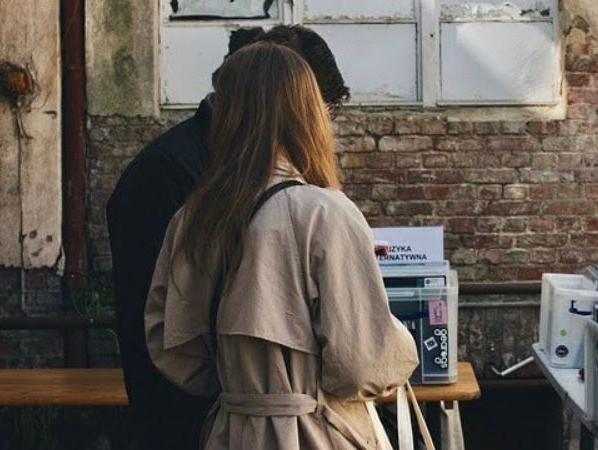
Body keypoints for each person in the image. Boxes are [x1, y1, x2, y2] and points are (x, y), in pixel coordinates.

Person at [144, 42, 418, 449]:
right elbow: (363, 366)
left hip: (231, 432)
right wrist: (396, 338)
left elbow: (171, 347)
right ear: (306, 114)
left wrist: (246, 387)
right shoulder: (325, 213)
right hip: (319, 432)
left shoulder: (193, 218)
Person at [106, 26, 350, 450]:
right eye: (316, 109)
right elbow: (164, 333)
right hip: (196, 425)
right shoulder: (169, 175)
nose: (321, 128)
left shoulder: (239, 178)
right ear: (282, 101)